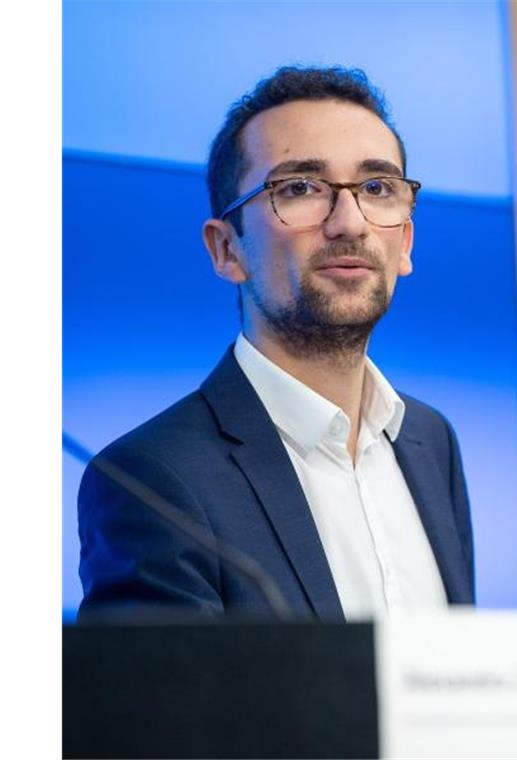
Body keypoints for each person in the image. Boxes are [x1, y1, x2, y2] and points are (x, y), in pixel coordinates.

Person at [77, 66, 475, 620]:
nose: (349, 223)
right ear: (226, 250)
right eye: (300, 188)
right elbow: (166, 708)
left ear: (405, 241)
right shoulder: (152, 480)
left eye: (377, 188)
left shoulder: (431, 443)